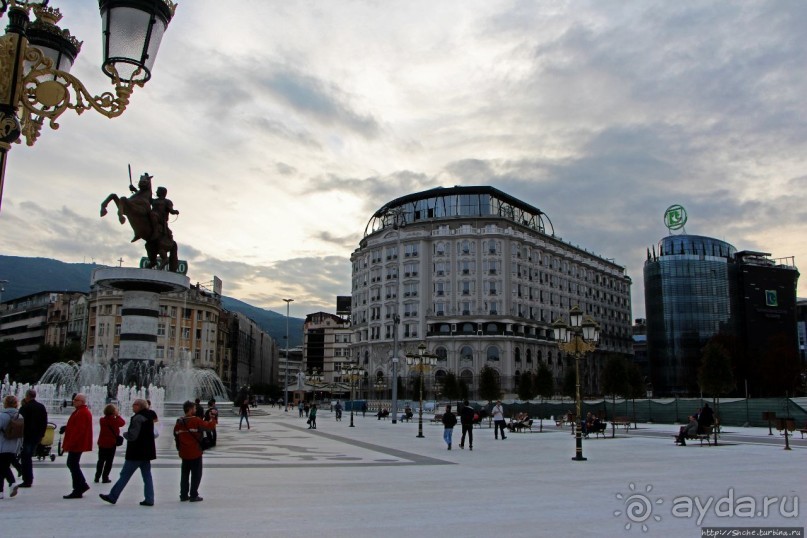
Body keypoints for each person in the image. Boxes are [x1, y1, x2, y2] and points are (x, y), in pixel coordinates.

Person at [99, 399, 157, 506]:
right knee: (147, 476)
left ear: (139, 406)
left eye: (134, 405)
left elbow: (133, 435)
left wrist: (125, 434)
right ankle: (150, 498)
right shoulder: (149, 416)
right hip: (147, 452)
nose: (132, 407)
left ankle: (113, 496)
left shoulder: (138, 418)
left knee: (125, 474)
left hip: (136, 452)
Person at [173, 400, 217, 502]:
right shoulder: (196, 421)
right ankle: (193, 494)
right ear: (191, 409)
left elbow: (176, 434)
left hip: (184, 452)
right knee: (196, 474)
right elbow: (209, 427)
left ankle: (183, 495)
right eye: (195, 408)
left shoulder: (179, 422)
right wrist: (213, 418)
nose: (196, 410)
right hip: (195, 452)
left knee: (184, 475)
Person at [62, 393, 93, 499]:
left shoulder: (82, 412)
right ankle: (81, 485)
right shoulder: (80, 411)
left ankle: (79, 488)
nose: (73, 401)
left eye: (76, 400)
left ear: (82, 402)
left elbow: (79, 430)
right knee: (72, 464)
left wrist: (71, 443)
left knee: (72, 464)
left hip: (77, 444)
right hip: (77, 443)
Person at [18, 388, 47, 488]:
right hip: (36, 436)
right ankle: (28, 479)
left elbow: (19, 422)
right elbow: (44, 422)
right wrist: (41, 435)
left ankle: (27, 479)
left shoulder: (25, 407)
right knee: (28, 456)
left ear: (27, 396)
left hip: (26, 436)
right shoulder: (41, 407)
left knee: (25, 457)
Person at [95, 404, 125, 484]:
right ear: (113, 412)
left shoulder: (102, 420)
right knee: (109, 461)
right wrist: (118, 415)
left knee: (100, 460)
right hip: (111, 443)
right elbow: (122, 423)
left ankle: (97, 476)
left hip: (102, 443)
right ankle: (105, 477)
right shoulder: (115, 420)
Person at [0, 395, 23, 500]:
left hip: (2, 445)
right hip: (14, 446)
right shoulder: (20, 416)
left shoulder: (2, 416)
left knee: (3, 467)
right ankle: (2, 490)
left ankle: (12, 483)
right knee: (3, 467)